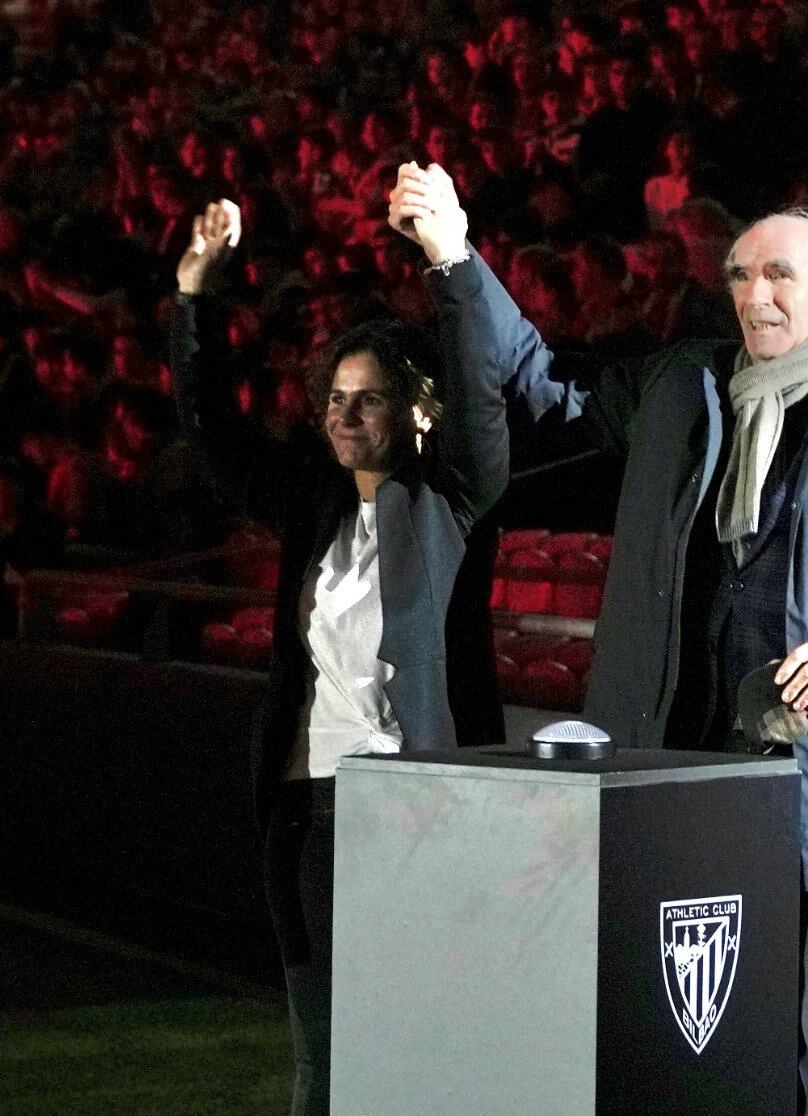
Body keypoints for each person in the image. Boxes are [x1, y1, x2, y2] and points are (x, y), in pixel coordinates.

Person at [390, 165, 808, 1115]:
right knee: (733, 1063)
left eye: (777, 275)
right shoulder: (685, 386)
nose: (752, 294)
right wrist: (455, 258)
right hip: (701, 786)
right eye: (738, 275)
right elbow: (535, 379)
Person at [169, 196, 508, 1115]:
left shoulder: (455, 498)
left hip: (418, 802)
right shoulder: (310, 503)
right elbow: (215, 430)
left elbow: (484, 406)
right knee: (320, 1056)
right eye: (333, 398)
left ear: (417, 408)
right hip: (310, 803)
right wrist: (194, 296)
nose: (346, 414)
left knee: (414, 1041)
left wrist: (450, 262)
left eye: (369, 397)